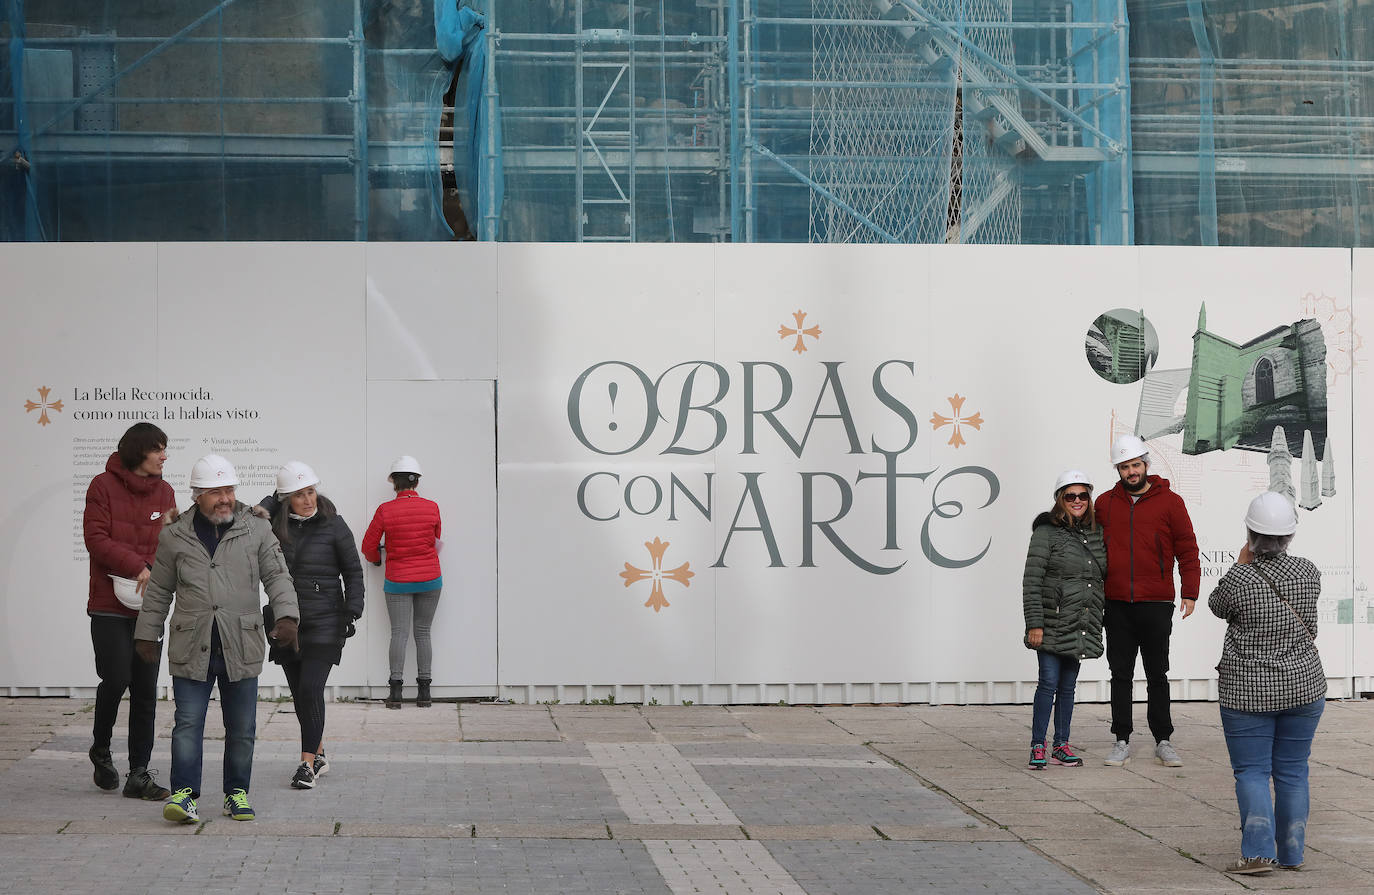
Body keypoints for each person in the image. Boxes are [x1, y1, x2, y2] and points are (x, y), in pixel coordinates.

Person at [133, 454, 298, 824]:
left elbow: (277, 574)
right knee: (187, 723)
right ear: (197, 496)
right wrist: (147, 633)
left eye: (229, 489)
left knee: (241, 728)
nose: (224, 497)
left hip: (241, 642)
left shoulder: (255, 528)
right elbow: (159, 589)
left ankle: (236, 793)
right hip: (192, 644)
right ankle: (184, 796)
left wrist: (287, 615)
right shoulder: (175, 535)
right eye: (215, 492)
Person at [1209, 492, 1325, 875]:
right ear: (1289, 536)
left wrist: (1241, 564)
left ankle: (1258, 855)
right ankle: (1292, 854)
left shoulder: (1240, 579)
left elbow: (1217, 605)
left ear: (1250, 532)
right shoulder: (1308, 572)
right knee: (1293, 770)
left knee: (1252, 772)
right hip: (1304, 687)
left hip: (1247, 691)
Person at [82, 422, 179, 800]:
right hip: (108, 604)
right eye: (158, 449)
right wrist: (136, 565)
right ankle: (101, 748)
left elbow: (173, 542)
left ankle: (138, 772)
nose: (164, 456)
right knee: (117, 677)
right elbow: (96, 538)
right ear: (139, 451)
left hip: (149, 606)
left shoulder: (166, 491)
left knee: (145, 689)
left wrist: (154, 572)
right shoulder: (101, 486)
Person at [258, 461, 364, 790]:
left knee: (310, 689)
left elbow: (353, 571)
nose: (308, 499)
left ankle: (306, 765)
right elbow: (248, 520)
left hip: (326, 621)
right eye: (299, 494)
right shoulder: (274, 526)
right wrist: (271, 501)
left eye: (310, 491)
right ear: (285, 498)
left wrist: (352, 610)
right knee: (300, 696)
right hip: (287, 621)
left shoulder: (334, 524)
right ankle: (318, 753)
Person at [1095, 434, 1200, 768]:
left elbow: (1187, 547)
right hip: (1116, 603)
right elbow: (1092, 551)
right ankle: (1121, 740)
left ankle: (1163, 740)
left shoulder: (1170, 502)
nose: (1131, 471)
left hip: (1156, 602)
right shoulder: (1105, 503)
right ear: (1119, 470)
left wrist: (1190, 591)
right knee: (1120, 674)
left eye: (1135, 465)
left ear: (1145, 465)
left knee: (1158, 673)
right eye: (1124, 467)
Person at [1021, 470, 1106, 770]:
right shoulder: (1045, 533)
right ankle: (1037, 746)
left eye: (1083, 495)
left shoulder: (1096, 532)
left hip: (1081, 623)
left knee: (1068, 687)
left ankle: (1061, 745)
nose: (1078, 501)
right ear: (1060, 499)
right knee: (1048, 683)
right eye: (1071, 496)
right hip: (1051, 621)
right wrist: (1035, 623)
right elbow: (1032, 581)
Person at [361, 455, 442, 709]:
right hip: (430, 579)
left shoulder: (385, 510)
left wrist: (376, 560)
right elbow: (437, 538)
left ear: (394, 483)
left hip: (398, 580)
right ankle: (424, 693)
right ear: (416, 481)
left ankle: (395, 693)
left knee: (399, 633)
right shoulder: (432, 507)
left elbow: (368, 546)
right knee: (423, 633)